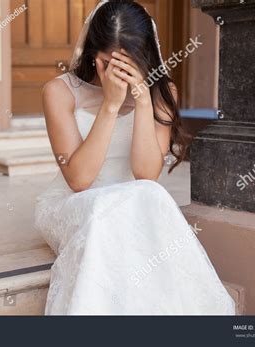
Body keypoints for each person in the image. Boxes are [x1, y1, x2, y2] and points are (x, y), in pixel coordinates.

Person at [34, 0, 235, 315]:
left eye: (128, 67)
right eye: (107, 64)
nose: (117, 77)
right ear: (92, 54)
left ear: (145, 60)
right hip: (81, 203)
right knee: (112, 209)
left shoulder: (161, 92)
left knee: (150, 194)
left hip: (136, 203)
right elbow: (79, 180)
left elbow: (145, 174)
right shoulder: (60, 92)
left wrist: (143, 101)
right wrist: (111, 106)